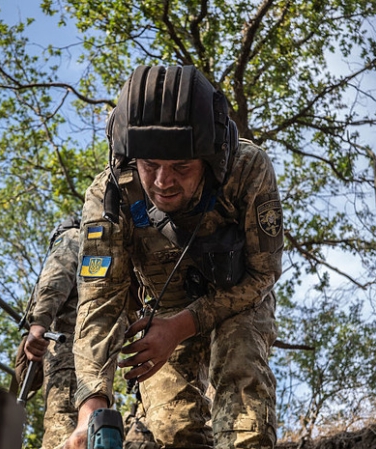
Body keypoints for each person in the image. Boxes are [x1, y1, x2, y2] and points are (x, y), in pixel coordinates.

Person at [65, 65, 284, 449]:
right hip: (161, 312)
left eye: (181, 167)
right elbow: (99, 302)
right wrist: (91, 411)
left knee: (243, 407)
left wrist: (183, 326)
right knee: (173, 430)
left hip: (237, 303)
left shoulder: (247, 169)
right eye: (151, 166)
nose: (164, 182)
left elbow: (263, 275)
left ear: (212, 158)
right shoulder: (111, 196)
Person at [14, 216, 81, 449]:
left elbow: (55, 281)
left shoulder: (72, 238)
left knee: (62, 424)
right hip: (94, 354)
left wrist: (38, 324)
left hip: (67, 351)